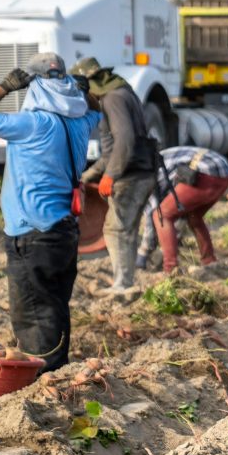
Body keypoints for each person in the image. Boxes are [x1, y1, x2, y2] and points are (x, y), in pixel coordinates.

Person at [0, 53, 101, 371]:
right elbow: (98, 110)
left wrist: (3, 88)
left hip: (32, 233)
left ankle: (43, 377)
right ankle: (58, 370)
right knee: (54, 306)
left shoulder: (30, 124)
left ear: (34, 86)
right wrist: (84, 91)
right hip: (64, 232)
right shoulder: (79, 123)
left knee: (34, 314)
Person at [71, 57, 158, 294]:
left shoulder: (113, 98)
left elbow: (125, 140)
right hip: (141, 170)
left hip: (132, 175)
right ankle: (125, 281)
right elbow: (110, 151)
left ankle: (122, 284)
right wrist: (88, 175)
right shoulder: (121, 93)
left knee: (116, 229)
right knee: (125, 229)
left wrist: (110, 175)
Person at [136, 147, 228, 273]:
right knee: (194, 217)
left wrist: (143, 253)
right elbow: (180, 212)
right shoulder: (154, 161)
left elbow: (154, 216)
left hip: (205, 173)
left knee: (162, 215)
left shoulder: (144, 179)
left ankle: (170, 268)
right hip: (224, 174)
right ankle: (209, 260)